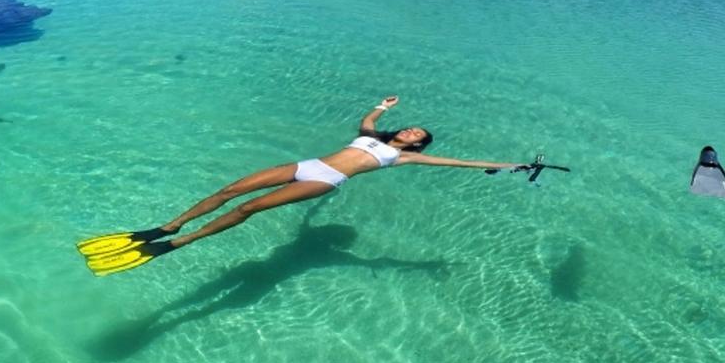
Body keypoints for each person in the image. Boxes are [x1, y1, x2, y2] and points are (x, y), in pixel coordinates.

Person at [78, 96, 524, 275]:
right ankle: (167, 226)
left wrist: (508, 166)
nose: (410, 133)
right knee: (231, 190)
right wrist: (381, 107)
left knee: (248, 209)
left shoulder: (404, 156)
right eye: (408, 128)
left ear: (419, 145)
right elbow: (368, 121)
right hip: (305, 163)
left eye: (417, 134)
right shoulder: (374, 136)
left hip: (327, 179)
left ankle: (180, 243)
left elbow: (460, 161)